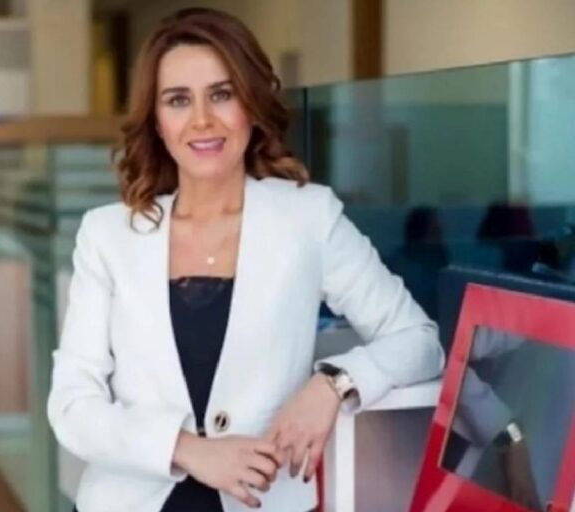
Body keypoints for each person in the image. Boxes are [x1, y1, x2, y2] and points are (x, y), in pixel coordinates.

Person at [47, 8, 444, 512]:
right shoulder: (107, 236)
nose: (202, 119)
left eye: (222, 94)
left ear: (251, 107)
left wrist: (333, 384)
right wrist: (188, 450)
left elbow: (417, 339)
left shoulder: (309, 217)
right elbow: (72, 406)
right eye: (178, 100)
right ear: (157, 122)